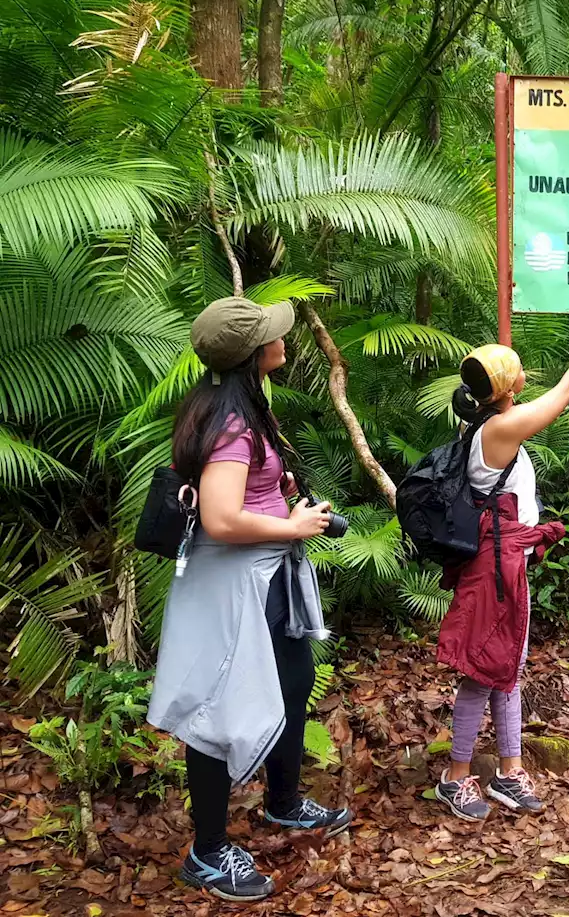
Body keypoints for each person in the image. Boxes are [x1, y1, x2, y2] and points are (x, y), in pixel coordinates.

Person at [147, 297, 352, 902]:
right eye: (270, 335)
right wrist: (294, 527)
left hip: (264, 577)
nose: (281, 339)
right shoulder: (233, 424)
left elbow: (242, 494)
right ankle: (207, 853)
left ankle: (283, 802)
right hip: (236, 585)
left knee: (292, 681)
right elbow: (220, 517)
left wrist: (281, 494)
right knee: (216, 711)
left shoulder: (238, 407)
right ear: (250, 357)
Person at [433, 313, 569, 821]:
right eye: (518, 371)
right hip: (492, 570)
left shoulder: (485, 421)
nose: (525, 375)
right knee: (482, 672)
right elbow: (566, 391)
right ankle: (455, 777)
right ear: (507, 385)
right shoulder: (501, 428)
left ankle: (508, 769)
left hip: (507, 565)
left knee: (507, 670)